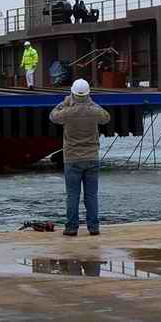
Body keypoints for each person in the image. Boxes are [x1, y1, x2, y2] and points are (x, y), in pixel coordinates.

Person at [49, 78, 111, 237]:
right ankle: (93, 227)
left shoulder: (67, 112)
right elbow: (106, 117)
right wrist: (91, 103)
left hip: (72, 159)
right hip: (92, 157)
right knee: (91, 195)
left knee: (72, 195)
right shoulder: (93, 110)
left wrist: (64, 102)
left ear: (72, 93)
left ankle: (71, 228)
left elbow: (53, 116)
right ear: (88, 94)